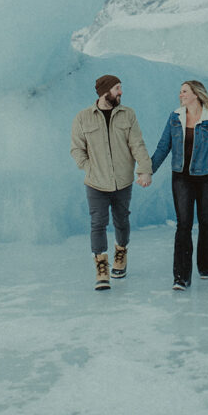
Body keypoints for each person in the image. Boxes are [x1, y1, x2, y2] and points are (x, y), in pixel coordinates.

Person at [151, 80, 208, 290]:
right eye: (180, 91)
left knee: (205, 220)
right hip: (181, 177)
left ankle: (206, 266)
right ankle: (181, 277)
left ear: (196, 94)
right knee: (184, 224)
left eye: (184, 91)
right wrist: (148, 169)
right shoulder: (175, 117)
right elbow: (164, 146)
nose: (180, 95)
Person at [70, 75, 152, 291]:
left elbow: (137, 144)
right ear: (104, 91)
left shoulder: (128, 115)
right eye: (117, 88)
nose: (120, 92)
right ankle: (101, 268)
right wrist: (88, 167)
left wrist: (144, 169)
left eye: (120, 88)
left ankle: (121, 253)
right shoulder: (83, 117)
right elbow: (77, 148)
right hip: (95, 183)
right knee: (98, 224)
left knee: (122, 221)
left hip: (123, 181)